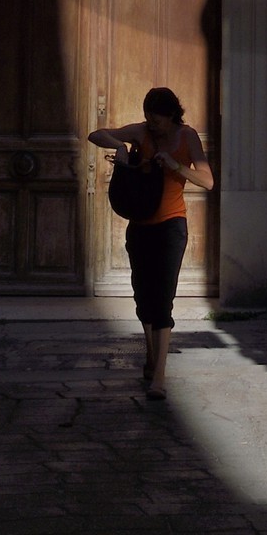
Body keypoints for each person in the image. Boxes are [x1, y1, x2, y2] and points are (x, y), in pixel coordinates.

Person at [89, 87, 212, 398]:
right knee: (143, 297)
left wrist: (175, 165)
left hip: (172, 226)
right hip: (140, 225)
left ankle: (159, 377)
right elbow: (96, 134)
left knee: (162, 299)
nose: (152, 124)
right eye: (148, 118)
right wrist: (120, 146)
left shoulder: (187, 137)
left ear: (171, 115)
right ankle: (151, 354)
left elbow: (208, 181)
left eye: (156, 119)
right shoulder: (140, 132)